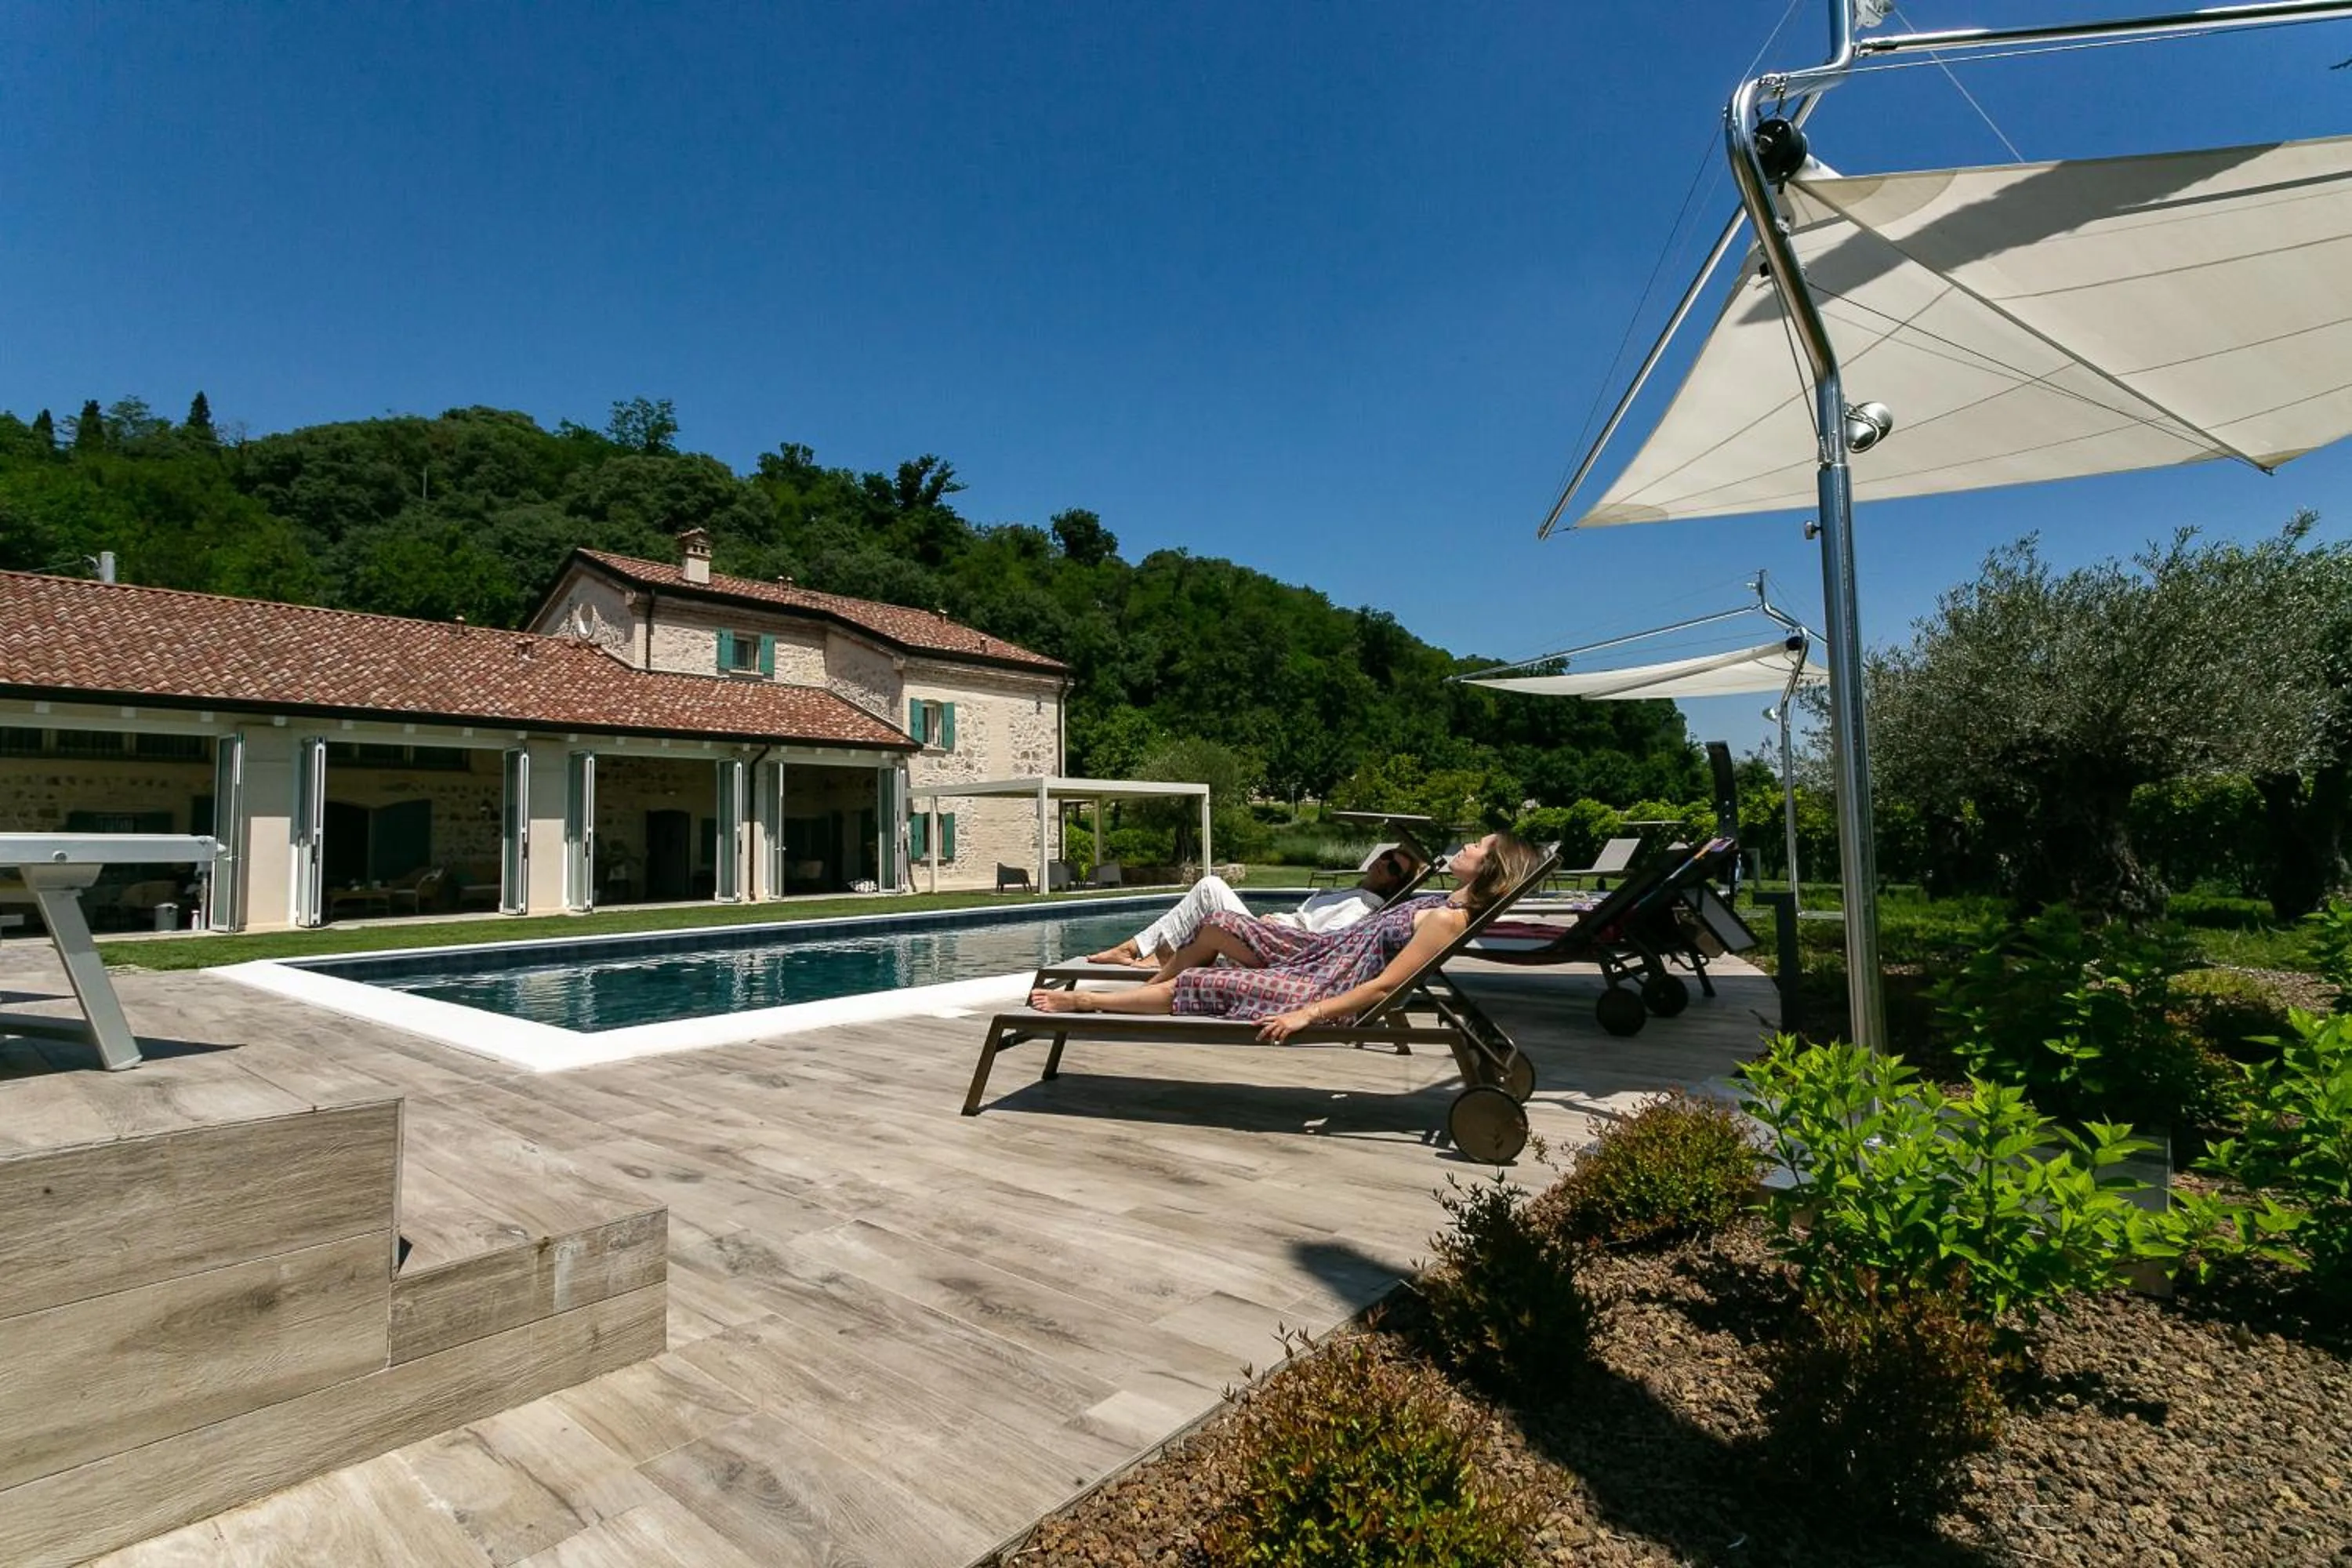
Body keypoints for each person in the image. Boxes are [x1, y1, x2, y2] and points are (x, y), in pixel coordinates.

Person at [1032, 833, 1544, 1040]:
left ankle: (1091, 1003)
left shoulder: (1445, 920)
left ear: (1490, 867)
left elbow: (1386, 988)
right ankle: (1142, 987)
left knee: (1209, 986)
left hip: (1323, 984)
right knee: (1218, 923)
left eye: (1480, 845)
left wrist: (1308, 1013)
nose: (1469, 843)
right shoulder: (1444, 903)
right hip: (1320, 955)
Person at [1082, 844, 1425, 968]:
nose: (1384, 865)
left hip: (1274, 949)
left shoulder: (1363, 909)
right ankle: (1150, 952)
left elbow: (1321, 947)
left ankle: (1135, 949)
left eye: (1394, 867)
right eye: (1385, 857)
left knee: (1210, 887)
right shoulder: (1350, 892)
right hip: (1270, 934)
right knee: (1208, 891)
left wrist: (1272, 928)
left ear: (1397, 882)